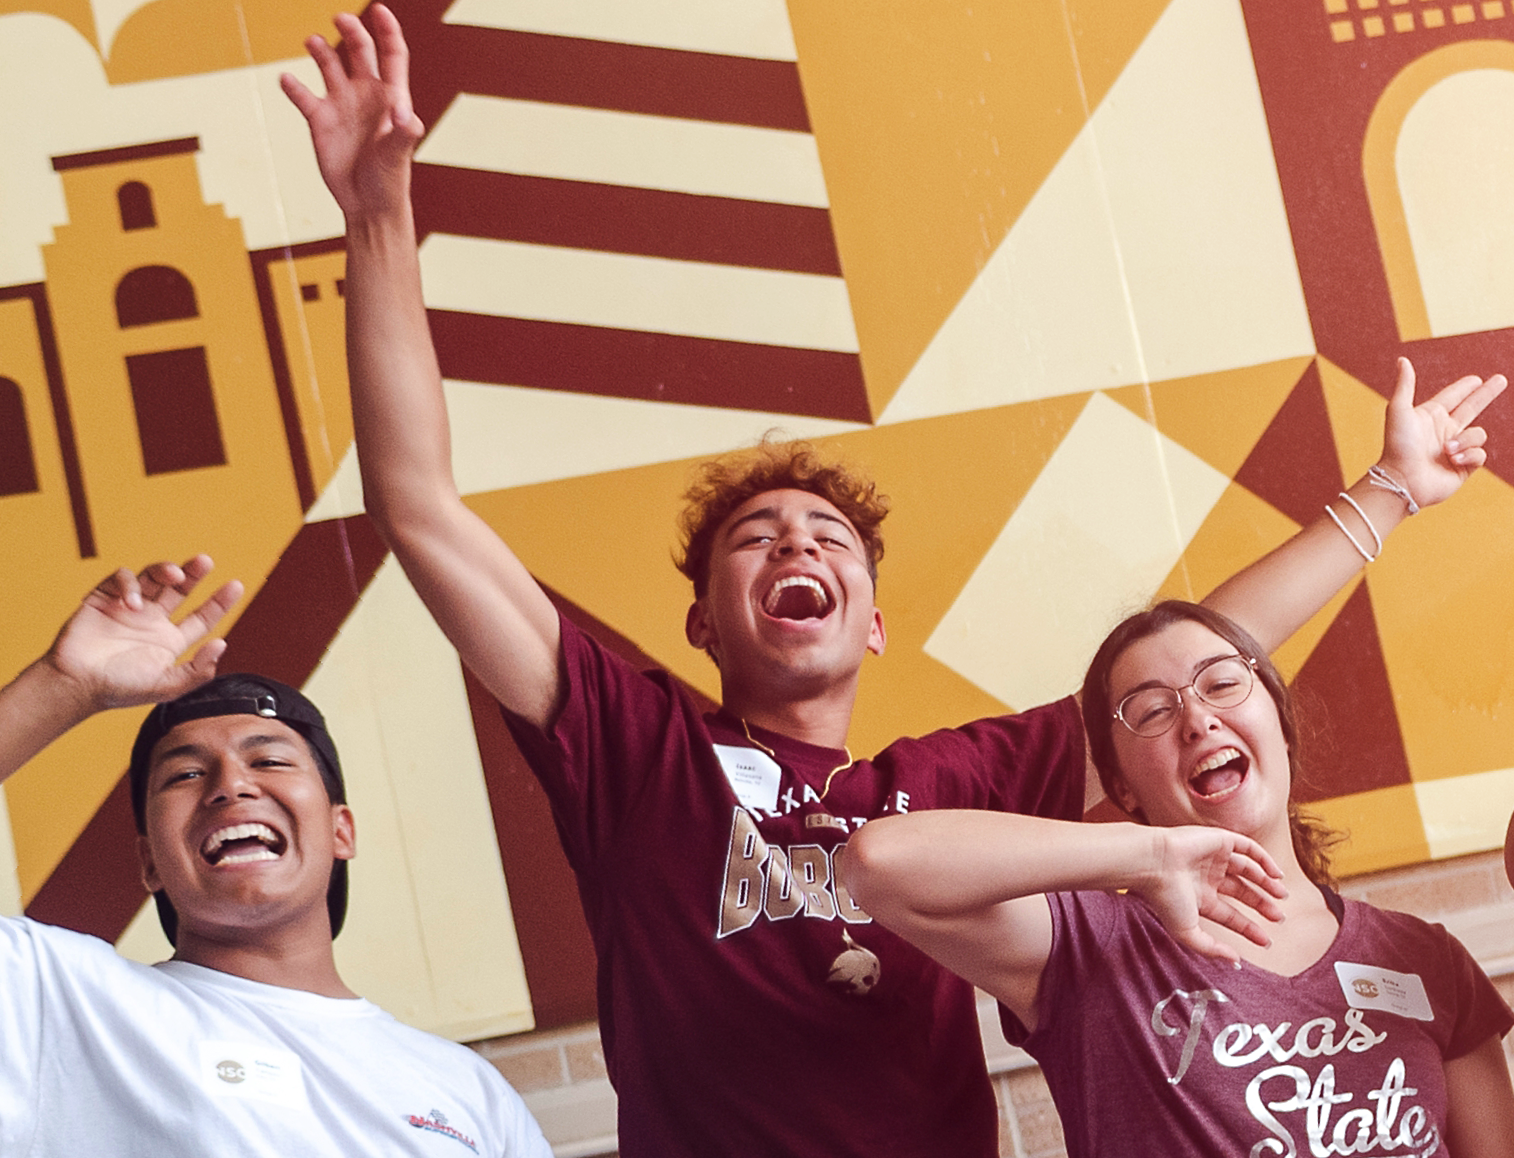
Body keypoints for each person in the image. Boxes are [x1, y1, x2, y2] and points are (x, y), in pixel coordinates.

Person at [279, 7, 1506, 1153]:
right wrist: (379, 212)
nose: (797, 548)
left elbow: (1194, 666)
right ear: (703, 620)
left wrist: (1385, 495)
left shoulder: (952, 785)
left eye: (829, 540)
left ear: (875, 624)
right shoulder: (634, 747)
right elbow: (418, 509)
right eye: (754, 540)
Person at [844, 600, 1514, 1156]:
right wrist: (1150, 857)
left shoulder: (1424, 959)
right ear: (1125, 790)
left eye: (1221, 684)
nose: (1197, 719)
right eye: (1152, 712)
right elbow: (879, 861)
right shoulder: (1088, 943)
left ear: (1280, 726)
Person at [0, 556, 551, 1157]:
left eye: (269, 761)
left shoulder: (471, 1093)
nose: (230, 786)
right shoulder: (59, 1003)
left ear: (342, 831)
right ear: (150, 863)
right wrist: (65, 685)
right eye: (185, 772)